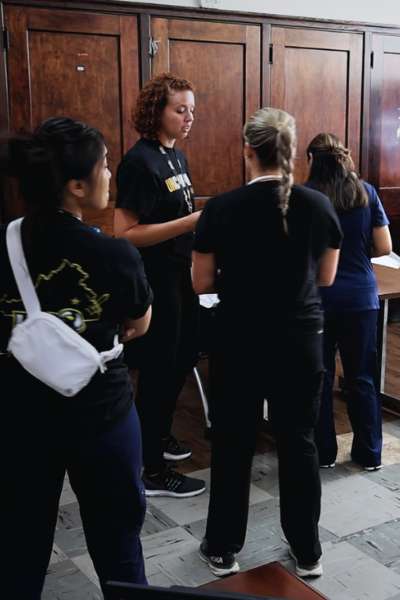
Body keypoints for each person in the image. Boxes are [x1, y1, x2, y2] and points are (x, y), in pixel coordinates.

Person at [1, 117, 153, 598]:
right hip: (101, 415)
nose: (110, 175)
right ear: (75, 185)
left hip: (18, 414)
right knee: (119, 545)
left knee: (18, 545)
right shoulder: (114, 255)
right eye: (105, 166)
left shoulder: (3, 244)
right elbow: (138, 324)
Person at [192, 108, 341, 578]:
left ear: (248, 151)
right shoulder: (317, 206)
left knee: (234, 441)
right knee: (298, 441)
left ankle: (222, 547)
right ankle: (308, 550)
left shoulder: (221, 207)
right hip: (299, 339)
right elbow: (327, 276)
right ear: (291, 152)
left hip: (238, 339)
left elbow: (200, 283)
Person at [114, 73, 205, 498]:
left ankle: (159, 434)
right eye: (180, 109)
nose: (189, 117)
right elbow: (125, 232)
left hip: (181, 278)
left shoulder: (177, 157)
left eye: (191, 110)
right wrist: (191, 222)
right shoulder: (138, 161)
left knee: (180, 361)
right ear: (157, 112)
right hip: (156, 282)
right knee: (157, 371)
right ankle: (150, 468)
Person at [305, 133, 392, 471]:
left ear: (312, 159)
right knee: (363, 377)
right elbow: (384, 247)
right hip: (360, 298)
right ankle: (369, 453)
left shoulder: (305, 196)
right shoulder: (365, 192)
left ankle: (323, 452)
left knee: (320, 378)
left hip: (318, 298)